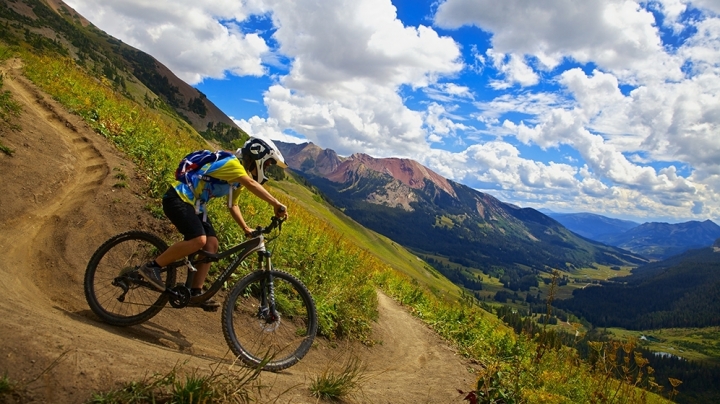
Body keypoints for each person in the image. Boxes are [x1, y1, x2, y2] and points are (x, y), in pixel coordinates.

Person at [139, 136, 288, 309]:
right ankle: (152, 267)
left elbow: (233, 205)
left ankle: (196, 292)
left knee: (211, 245)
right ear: (258, 155)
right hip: (178, 198)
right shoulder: (233, 165)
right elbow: (250, 183)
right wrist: (276, 203)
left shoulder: (238, 179)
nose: (268, 168)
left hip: (195, 206)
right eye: (268, 163)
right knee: (198, 240)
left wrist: (246, 228)